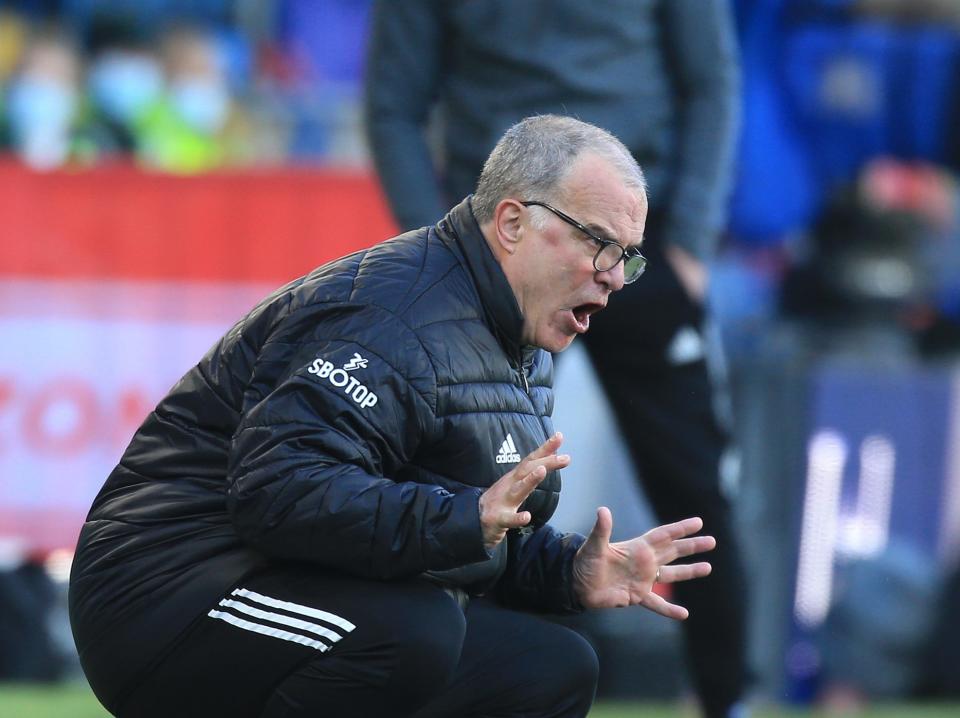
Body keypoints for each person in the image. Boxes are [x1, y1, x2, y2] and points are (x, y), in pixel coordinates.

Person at [69, 115, 716, 718]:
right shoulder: (392, 316)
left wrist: (567, 572)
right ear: (513, 223)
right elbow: (278, 494)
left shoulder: (518, 335)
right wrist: (461, 521)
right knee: (413, 632)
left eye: (626, 257)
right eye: (599, 243)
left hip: (280, 581)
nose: (612, 277)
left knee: (551, 667)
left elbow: (467, 533)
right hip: (164, 600)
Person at [364, 2, 749, 717]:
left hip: (640, 243)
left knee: (697, 489)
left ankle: (724, 700)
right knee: (467, 481)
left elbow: (712, 83)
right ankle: (457, 687)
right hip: (501, 246)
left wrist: (689, 239)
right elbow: (393, 105)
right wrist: (445, 253)